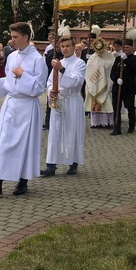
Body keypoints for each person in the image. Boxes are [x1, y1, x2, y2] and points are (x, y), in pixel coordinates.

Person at [0, 22, 46, 196]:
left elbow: (39, 87)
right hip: (11, 104)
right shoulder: (13, 55)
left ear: (26, 37)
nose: (12, 40)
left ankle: (22, 182)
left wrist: (24, 75)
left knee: (24, 144)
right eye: (12, 36)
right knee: (3, 142)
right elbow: (9, 79)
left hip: (27, 107)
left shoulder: (38, 59)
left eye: (15, 37)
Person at [40, 33, 86, 177]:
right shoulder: (57, 62)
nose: (65, 49)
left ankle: (73, 162)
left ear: (74, 47)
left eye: (68, 46)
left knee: (72, 131)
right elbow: (49, 82)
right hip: (58, 101)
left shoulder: (79, 63)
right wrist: (50, 92)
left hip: (72, 101)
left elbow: (77, 81)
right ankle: (51, 165)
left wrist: (62, 70)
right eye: (62, 46)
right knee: (55, 132)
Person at [84, 26, 115, 129]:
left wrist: (102, 63)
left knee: (106, 102)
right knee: (95, 99)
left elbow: (110, 65)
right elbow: (88, 68)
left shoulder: (109, 55)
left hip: (105, 82)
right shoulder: (92, 56)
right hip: (94, 82)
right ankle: (96, 123)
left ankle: (107, 122)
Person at [109, 32, 136, 136]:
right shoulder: (118, 58)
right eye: (124, 47)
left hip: (128, 88)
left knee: (130, 107)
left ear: (132, 48)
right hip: (117, 88)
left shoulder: (135, 58)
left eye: (127, 47)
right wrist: (116, 79)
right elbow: (112, 73)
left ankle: (132, 125)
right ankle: (116, 128)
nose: (125, 49)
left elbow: (134, 68)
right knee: (116, 108)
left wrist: (126, 60)